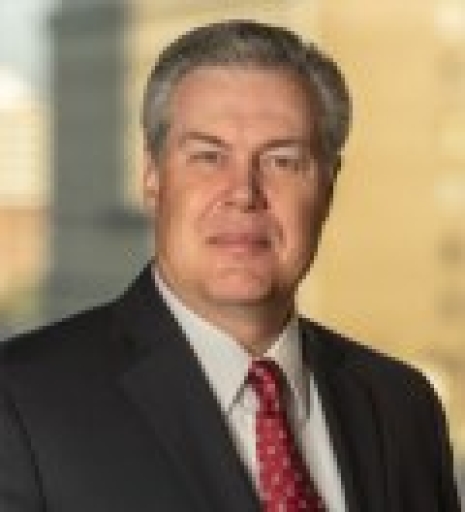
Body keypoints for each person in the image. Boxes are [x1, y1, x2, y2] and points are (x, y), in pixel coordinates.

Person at [0, 20, 460, 512]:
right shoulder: (20, 404)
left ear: (328, 186)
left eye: (282, 161)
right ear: (152, 176)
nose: (243, 193)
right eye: (208, 157)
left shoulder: (401, 407)